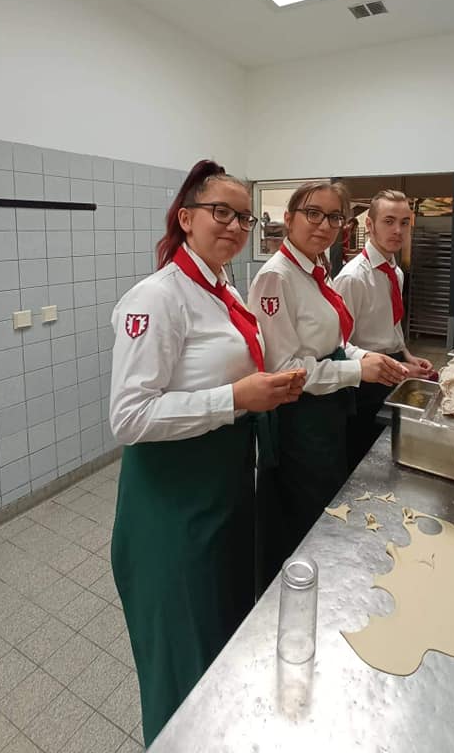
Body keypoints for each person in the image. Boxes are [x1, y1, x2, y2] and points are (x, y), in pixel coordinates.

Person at [109, 160, 305, 747]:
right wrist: (235, 398)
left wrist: (265, 390)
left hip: (222, 495)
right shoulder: (158, 298)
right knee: (182, 665)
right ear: (186, 217)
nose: (235, 225)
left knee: (221, 641)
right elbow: (128, 417)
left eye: (244, 217)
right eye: (221, 212)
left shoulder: (223, 291)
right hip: (172, 509)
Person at [249, 180, 407, 591]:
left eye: (334, 217)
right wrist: (356, 371)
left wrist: (366, 358)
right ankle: (290, 597)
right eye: (313, 213)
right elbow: (284, 369)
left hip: (327, 410)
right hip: (298, 419)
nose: (324, 225)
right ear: (288, 219)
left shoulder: (317, 270)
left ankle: (323, 587)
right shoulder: (276, 277)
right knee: (301, 520)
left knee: (325, 511)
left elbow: (334, 344)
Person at [334, 190, 435, 472]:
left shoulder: (395, 272)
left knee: (389, 451)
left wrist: (406, 355)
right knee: (364, 459)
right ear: (369, 224)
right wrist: (396, 368)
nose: (398, 230)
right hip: (364, 382)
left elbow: (391, 324)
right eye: (389, 221)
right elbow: (339, 345)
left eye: (404, 223)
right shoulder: (353, 278)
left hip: (392, 368)